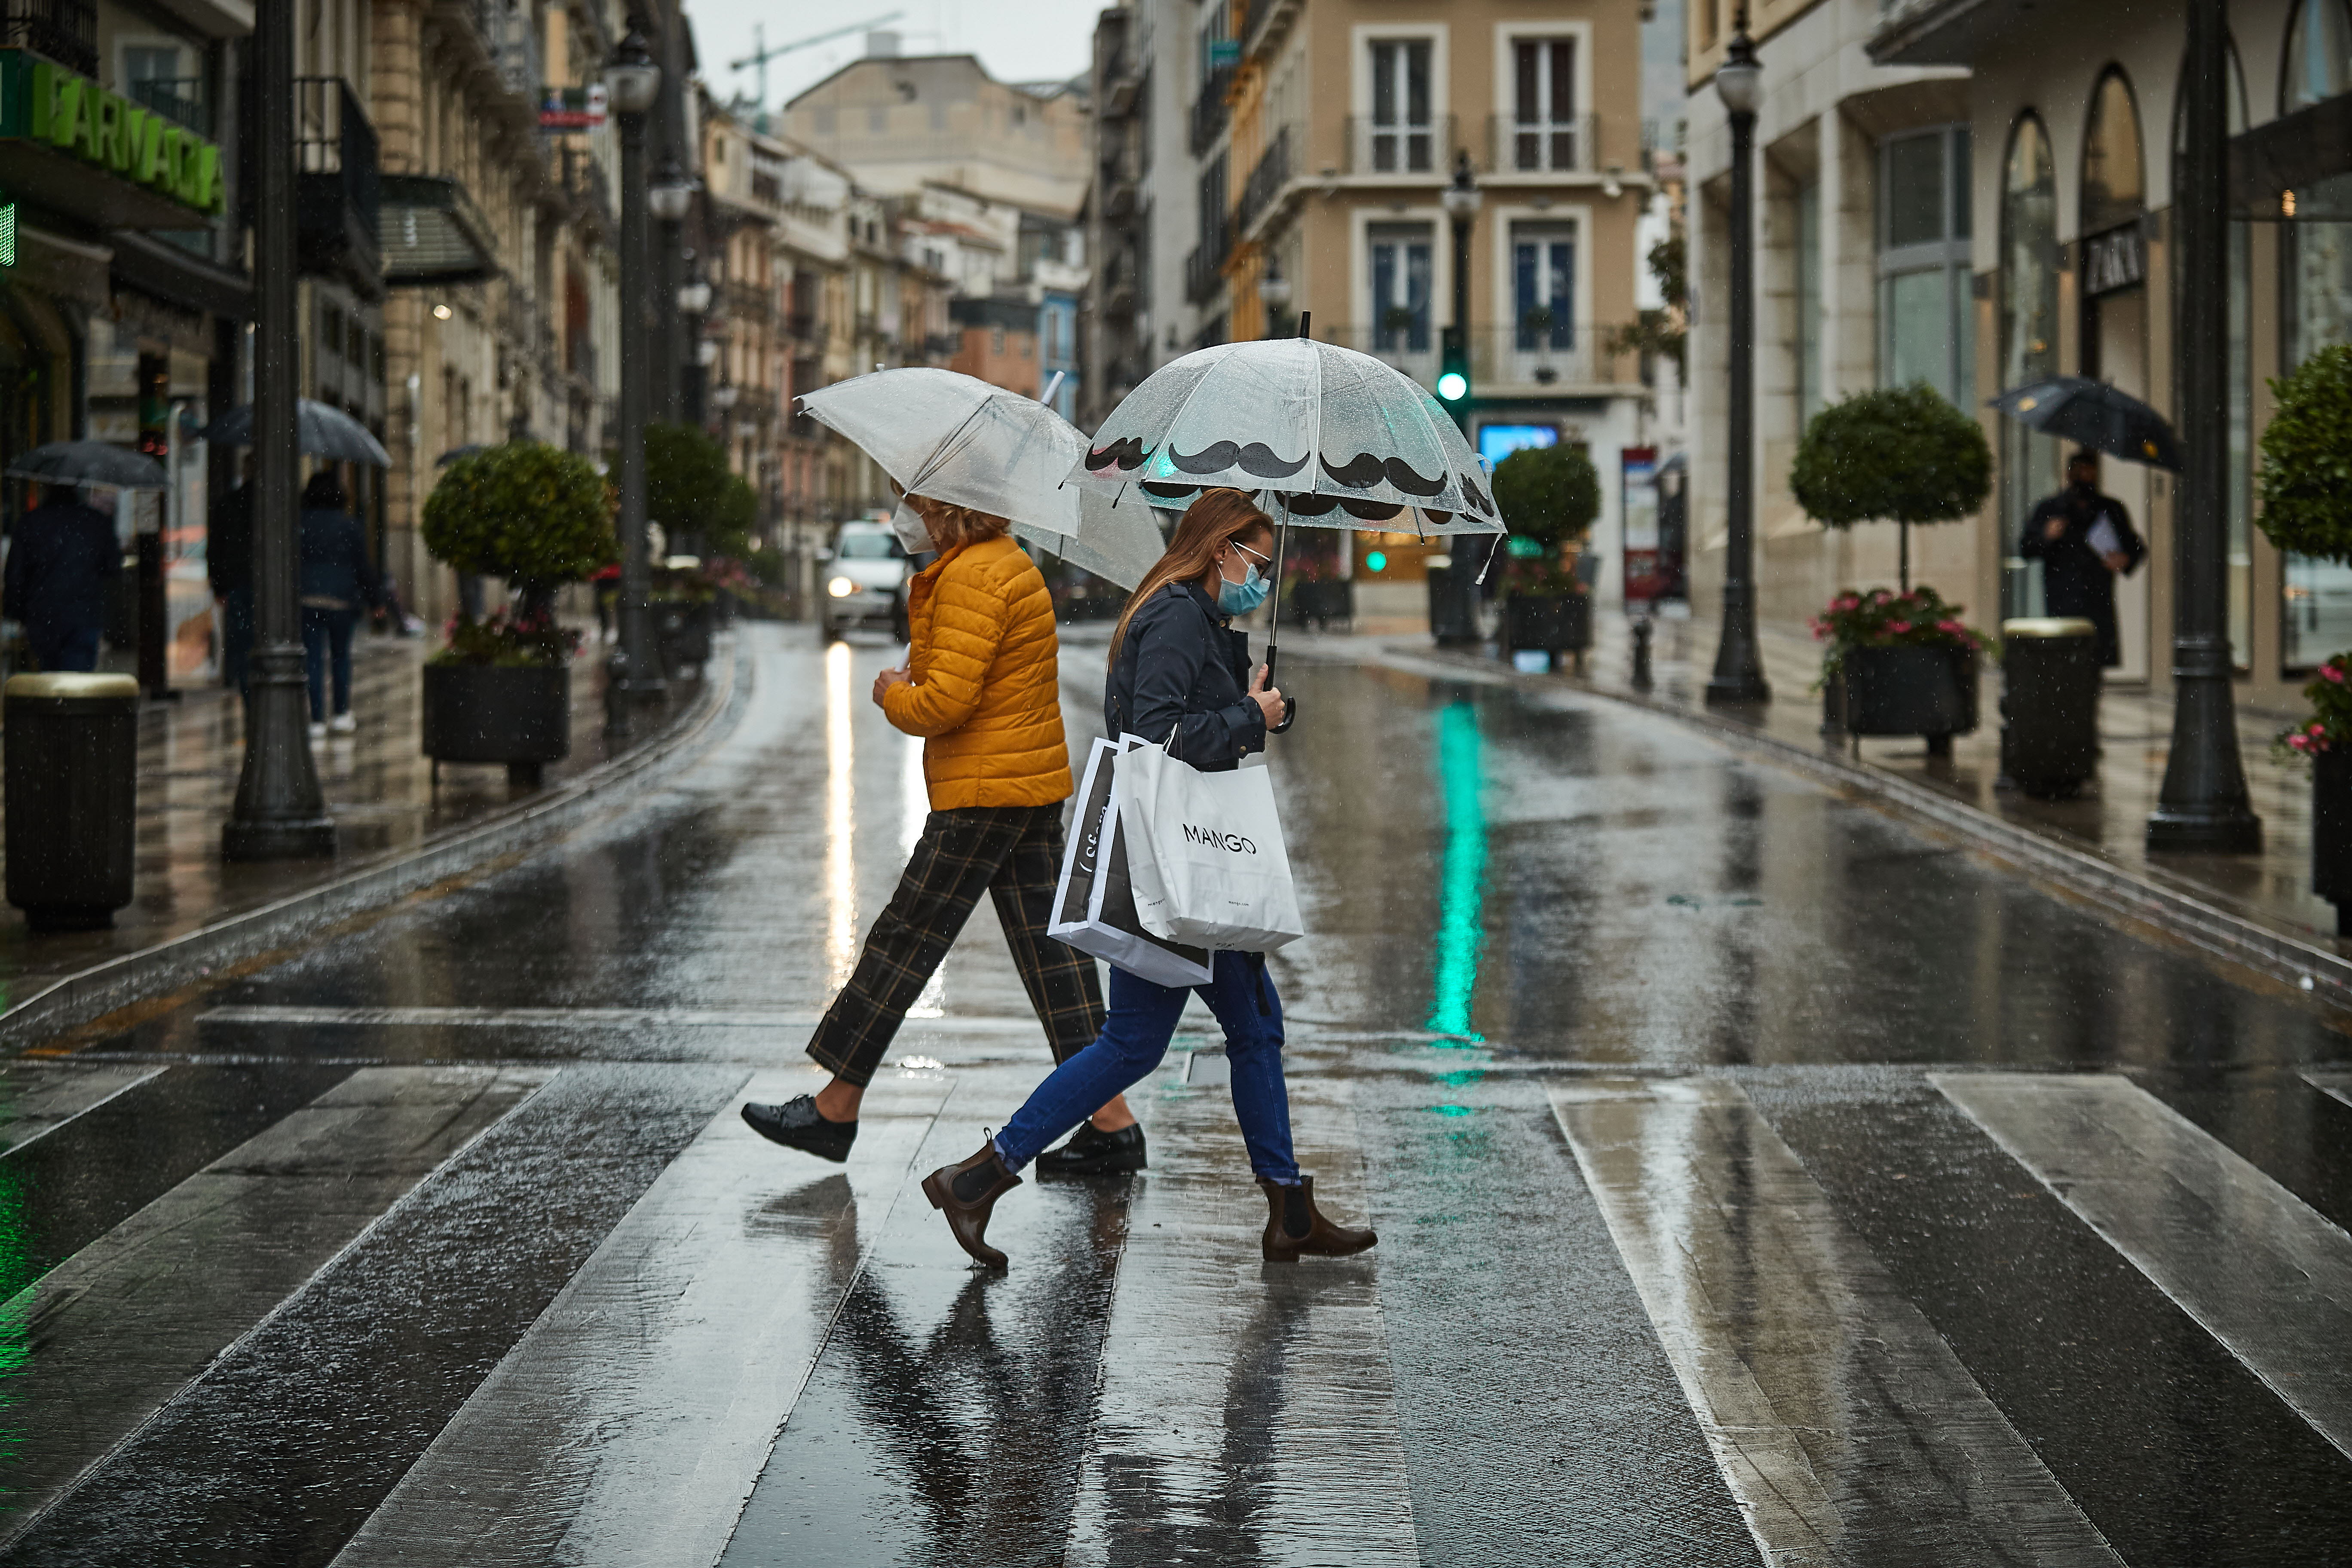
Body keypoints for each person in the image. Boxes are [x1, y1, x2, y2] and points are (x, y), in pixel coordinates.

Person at [919, 488, 1374, 1270]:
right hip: (1177, 869)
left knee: (1234, 1031)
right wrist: (1248, 717)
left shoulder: (1196, 617)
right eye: (1259, 561)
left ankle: (1286, 1208)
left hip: (1189, 864)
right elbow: (1154, 737)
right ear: (1221, 549)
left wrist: (1256, 703)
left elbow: (1190, 721)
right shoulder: (1173, 617)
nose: (1264, 577)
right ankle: (978, 1178)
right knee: (1161, 1040)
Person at [740, 489, 1143, 1175]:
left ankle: (835, 1109)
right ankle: (1111, 1120)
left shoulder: (972, 575)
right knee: (1051, 956)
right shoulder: (1005, 562)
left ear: (948, 510)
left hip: (985, 791)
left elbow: (946, 704)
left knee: (906, 938)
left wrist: (894, 693)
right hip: (1025, 782)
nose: (911, 517)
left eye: (919, 505)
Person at [2020, 449, 2147, 668]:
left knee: (2094, 658)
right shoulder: (2051, 509)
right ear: (2069, 474)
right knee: (2063, 659)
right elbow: (2026, 548)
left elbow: (2136, 548)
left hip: (2098, 596)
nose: (2084, 477)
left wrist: (2124, 559)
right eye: (2079, 471)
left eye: (2089, 472)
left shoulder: (2110, 509)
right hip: (2062, 596)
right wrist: (2047, 537)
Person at [297, 470, 379, 738]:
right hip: (342, 600)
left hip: (309, 598)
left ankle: (317, 718)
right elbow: (363, 566)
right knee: (340, 656)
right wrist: (376, 600)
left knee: (313, 658)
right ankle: (341, 713)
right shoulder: (349, 526)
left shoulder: (301, 524)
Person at [4, 485, 121, 673]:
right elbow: (113, 566)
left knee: (49, 674)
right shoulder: (95, 521)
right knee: (77, 677)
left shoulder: (30, 522)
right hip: (83, 613)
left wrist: (17, 613)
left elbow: (15, 575)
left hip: (42, 615)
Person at [208, 455, 257, 693]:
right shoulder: (274, 504)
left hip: (236, 583)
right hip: (265, 585)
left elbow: (215, 549)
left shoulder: (229, 503)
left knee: (241, 643)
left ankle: (247, 692)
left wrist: (219, 586)